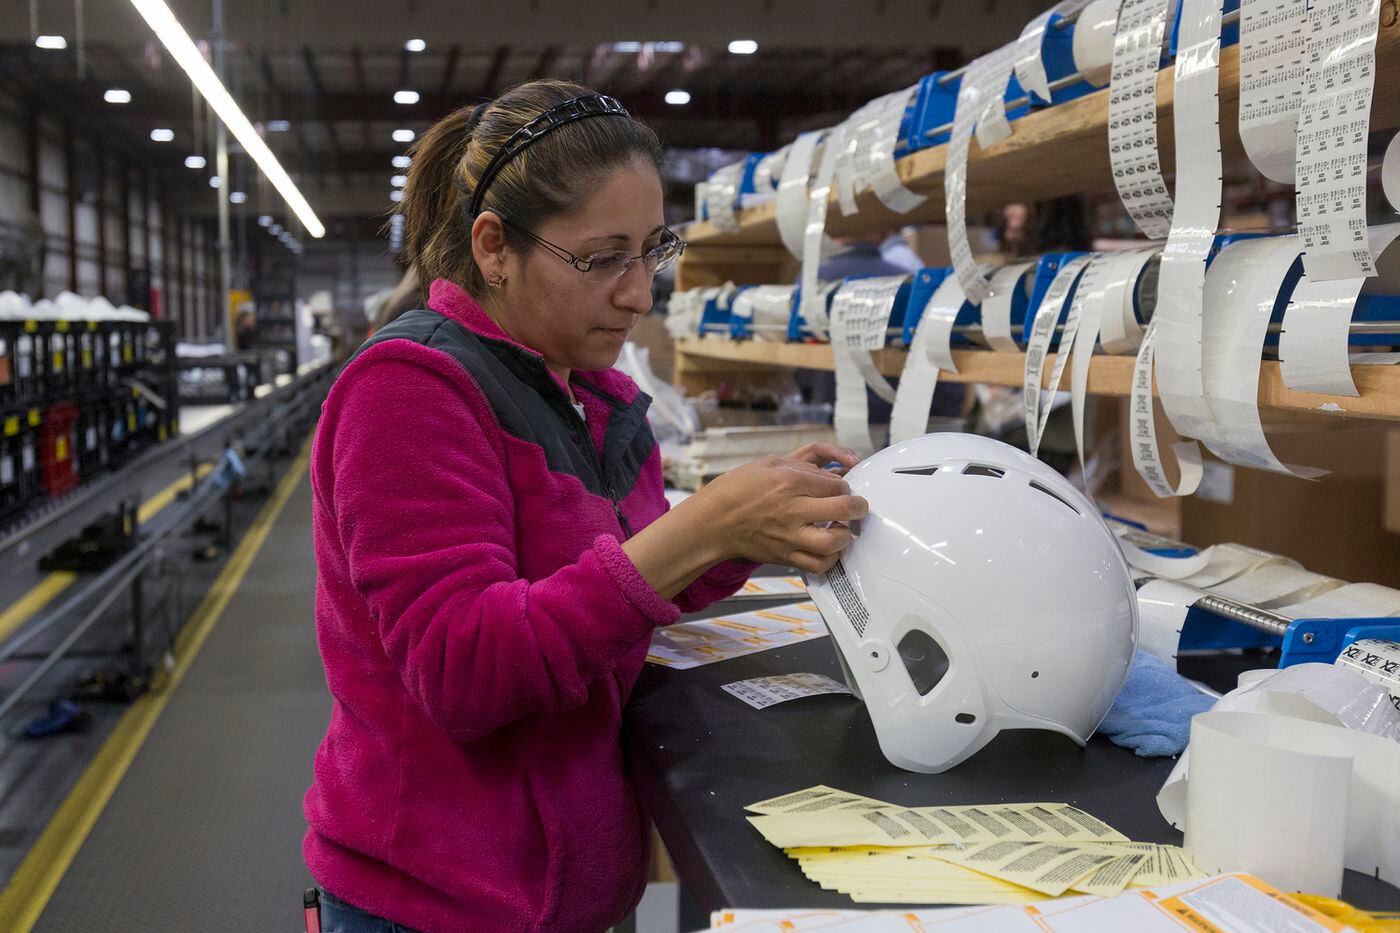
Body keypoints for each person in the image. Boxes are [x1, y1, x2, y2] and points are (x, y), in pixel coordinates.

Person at [302, 80, 867, 933]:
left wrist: (751, 523)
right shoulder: (408, 391)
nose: (640, 294)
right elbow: (464, 670)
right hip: (435, 903)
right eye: (604, 258)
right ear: (495, 246)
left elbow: (625, 588)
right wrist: (704, 524)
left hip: (566, 894)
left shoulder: (590, 393)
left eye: (651, 251)